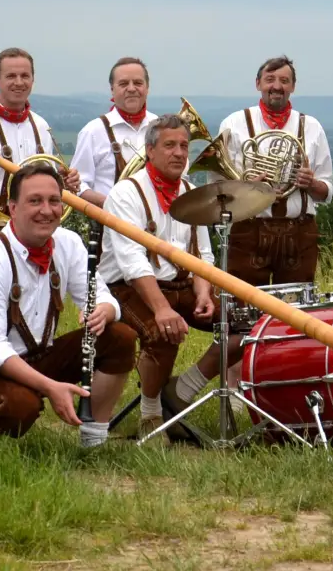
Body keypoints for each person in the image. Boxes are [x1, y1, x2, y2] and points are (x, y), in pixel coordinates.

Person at [0, 162, 134, 446]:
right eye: (34, 201)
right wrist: (51, 388)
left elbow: (102, 295)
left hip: (39, 355)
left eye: (54, 201)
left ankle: (94, 440)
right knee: (22, 407)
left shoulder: (68, 242)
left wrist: (105, 310)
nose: (47, 210)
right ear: (13, 208)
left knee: (120, 337)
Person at [98, 115, 219, 439]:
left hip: (182, 283)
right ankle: (151, 414)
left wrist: (204, 293)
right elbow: (132, 262)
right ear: (150, 151)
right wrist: (162, 308)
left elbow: (202, 256)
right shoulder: (126, 193)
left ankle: (181, 391)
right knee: (163, 330)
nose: (180, 153)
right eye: (170, 145)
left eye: (184, 145)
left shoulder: (194, 191)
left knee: (243, 323)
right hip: (127, 286)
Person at [216, 55, 333, 287]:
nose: (277, 86)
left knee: (297, 312)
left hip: (300, 233)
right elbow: (218, 189)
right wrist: (247, 186)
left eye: (284, 80)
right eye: (270, 79)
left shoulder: (312, 126)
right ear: (258, 83)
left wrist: (311, 183)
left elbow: (326, 191)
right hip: (248, 231)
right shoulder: (233, 123)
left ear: (293, 87)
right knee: (244, 309)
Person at [0, 47, 81, 229]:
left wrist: (63, 184)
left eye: (25, 76)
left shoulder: (41, 126)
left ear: (33, 79)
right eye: (11, 76)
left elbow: (43, 179)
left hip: (35, 227)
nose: (19, 82)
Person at [70, 57, 157, 207]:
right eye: (123, 84)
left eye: (138, 83)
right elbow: (79, 185)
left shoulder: (160, 127)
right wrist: (110, 204)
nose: (131, 88)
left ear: (147, 88)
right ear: (112, 89)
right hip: (110, 225)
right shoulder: (93, 131)